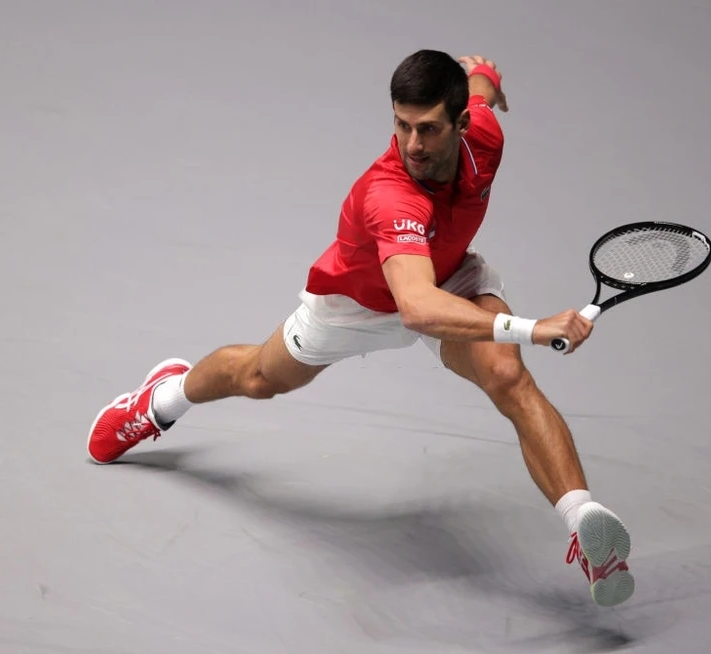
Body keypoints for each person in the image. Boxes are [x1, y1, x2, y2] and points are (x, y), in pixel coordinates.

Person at [86, 50, 634, 607]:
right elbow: (417, 307)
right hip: (360, 304)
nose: (412, 143)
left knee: (508, 376)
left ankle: (585, 524)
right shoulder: (389, 193)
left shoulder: (484, 134)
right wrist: (532, 327)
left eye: (428, 128)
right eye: (401, 125)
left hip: (449, 277)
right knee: (257, 379)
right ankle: (162, 399)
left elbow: (480, 91)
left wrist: (484, 75)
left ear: (463, 124)